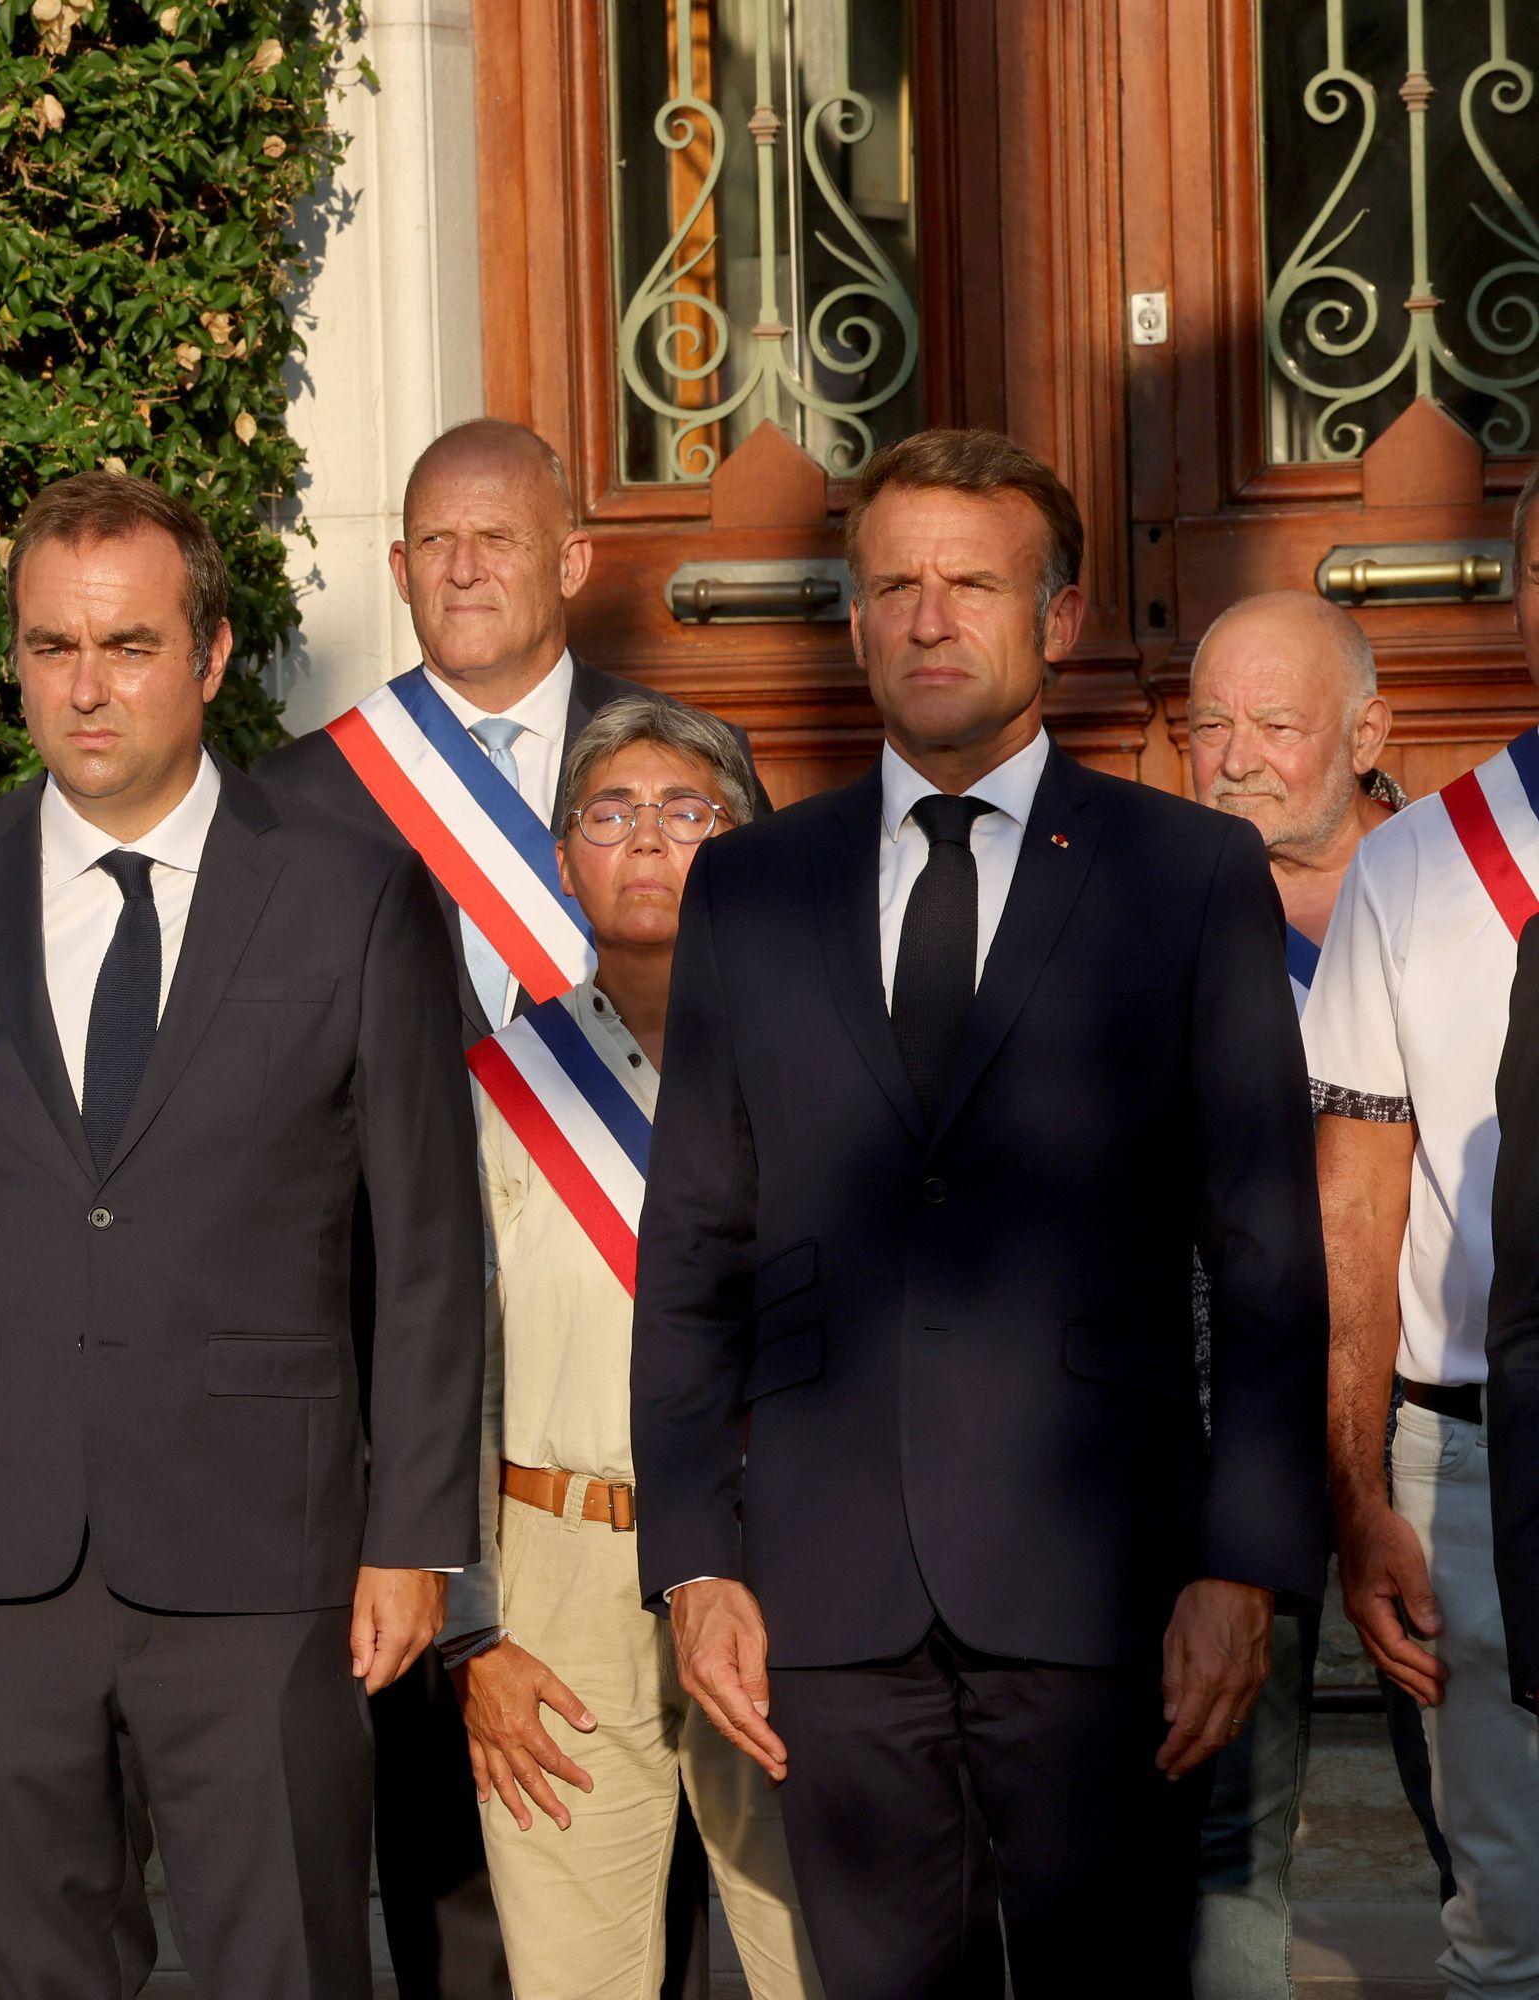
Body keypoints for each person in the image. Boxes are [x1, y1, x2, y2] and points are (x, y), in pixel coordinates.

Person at [632, 427, 1328, 1994]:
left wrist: (1247, 1572)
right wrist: (693, 1557)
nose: (930, 618)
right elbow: (691, 1254)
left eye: (970, 584)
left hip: (1103, 1592)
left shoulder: (1188, 874)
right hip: (828, 1592)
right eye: (895, 586)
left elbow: (1270, 1255)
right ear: (855, 621)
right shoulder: (753, 887)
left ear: (1059, 620)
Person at [0, 470, 482, 1999]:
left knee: (287, 1961)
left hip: (267, 1552)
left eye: (127, 644)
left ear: (214, 653)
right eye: (53, 647)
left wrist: (414, 1536)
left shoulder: (354, 896)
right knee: (35, 1965)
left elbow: (431, 1252)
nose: (88, 686)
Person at [257, 415, 764, 2000]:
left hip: (709, 1455)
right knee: (478, 1897)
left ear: (576, 562)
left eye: (502, 537)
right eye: (435, 544)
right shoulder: (296, 807)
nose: (466, 568)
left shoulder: (678, 770)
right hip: (443, 1442)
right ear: (398, 571)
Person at [455, 694, 821, 1999]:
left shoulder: (830, 1073)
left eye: (688, 810)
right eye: (611, 813)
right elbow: (433, 1377)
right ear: (563, 859)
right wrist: (472, 1633)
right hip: (555, 1576)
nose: (650, 840)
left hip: (783, 1566)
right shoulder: (491, 1087)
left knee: (817, 1959)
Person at [1312, 466, 1539, 1995]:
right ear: (1521, 587)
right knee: (1508, 1922)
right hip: (1470, 1461)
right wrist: (1357, 1490)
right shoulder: (1416, 864)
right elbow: (1352, 1206)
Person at [1182, 591, 1407, 1998]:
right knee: (1225, 1835)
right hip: (1222, 1443)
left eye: (1276, 724)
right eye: (1208, 725)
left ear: (1371, 732)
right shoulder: (1143, 903)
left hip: (1441, 1438)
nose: (1237, 758)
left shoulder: (1462, 889)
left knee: (1486, 1817)